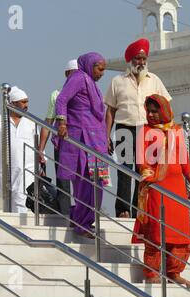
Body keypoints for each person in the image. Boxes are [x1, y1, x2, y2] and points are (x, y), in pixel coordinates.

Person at [131, 94, 190, 288]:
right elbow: (141, 161)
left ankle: (174, 272)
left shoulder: (176, 131)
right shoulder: (144, 131)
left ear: (164, 111)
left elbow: (184, 162)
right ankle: (152, 272)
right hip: (155, 188)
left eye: (155, 111)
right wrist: (150, 175)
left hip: (177, 189)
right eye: (149, 111)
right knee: (156, 231)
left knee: (179, 232)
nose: (151, 115)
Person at [105, 38, 172, 219]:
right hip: (124, 128)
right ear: (130, 60)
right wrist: (106, 135)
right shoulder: (117, 81)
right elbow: (110, 110)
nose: (141, 62)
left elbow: (165, 105)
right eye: (137, 59)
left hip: (149, 131)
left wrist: (166, 129)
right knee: (125, 170)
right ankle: (123, 209)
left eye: (143, 59)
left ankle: (139, 209)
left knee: (145, 171)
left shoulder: (154, 80)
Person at [55, 52, 107, 238]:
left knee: (97, 184)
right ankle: (81, 223)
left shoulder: (92, 84)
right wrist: (62, 123)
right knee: (84, 183)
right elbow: (62, 99)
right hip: (82, 141)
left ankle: (84, 221)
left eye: (103, 70)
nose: (102, 73)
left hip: (96, 143)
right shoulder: (78, 78)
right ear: (89, 65)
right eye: (99, 69)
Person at [0, 86, 37, 213]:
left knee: (22, 198)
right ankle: (12, 229)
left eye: (27, 101)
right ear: (13, 104)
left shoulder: (31, 122)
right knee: (8, 199)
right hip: (6, 168)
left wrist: (42, 165)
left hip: (28, 168)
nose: (26, 105)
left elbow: (37, 147)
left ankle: (20, 228)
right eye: (23, 102)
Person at [38, 59, 78, 217]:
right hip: (62, 146)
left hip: (80, 146)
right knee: (63, 183)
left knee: (82, 183)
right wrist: (40, 149)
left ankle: (81, 216)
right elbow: (48, 123)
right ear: (67, 74)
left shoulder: (85, 94)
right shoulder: (56, 95)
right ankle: (66, 216)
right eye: (74, 74)